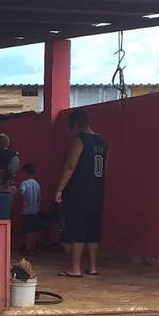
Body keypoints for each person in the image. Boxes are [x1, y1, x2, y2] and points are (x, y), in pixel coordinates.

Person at [54, 109, 108, 277]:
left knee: (77, 227)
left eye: (71, 127)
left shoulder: (79, 141)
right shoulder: (103, 142)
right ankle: (92, 267)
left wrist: (59, 189)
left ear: (77, 125)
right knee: (93, 229)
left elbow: (71, 165)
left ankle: (75, 268)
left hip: (79, 191)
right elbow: (105, 168)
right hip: (97, 191)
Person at [18, 163, 42, 252]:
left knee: (28, 230)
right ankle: (33, 247)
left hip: (27, 210)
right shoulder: (36, 183)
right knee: (33, 230)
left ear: (26, 172)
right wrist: (37, 206)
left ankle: (28, 248)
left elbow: (22, 191)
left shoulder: (24, 183)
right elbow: (40, 196)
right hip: (35, 210)